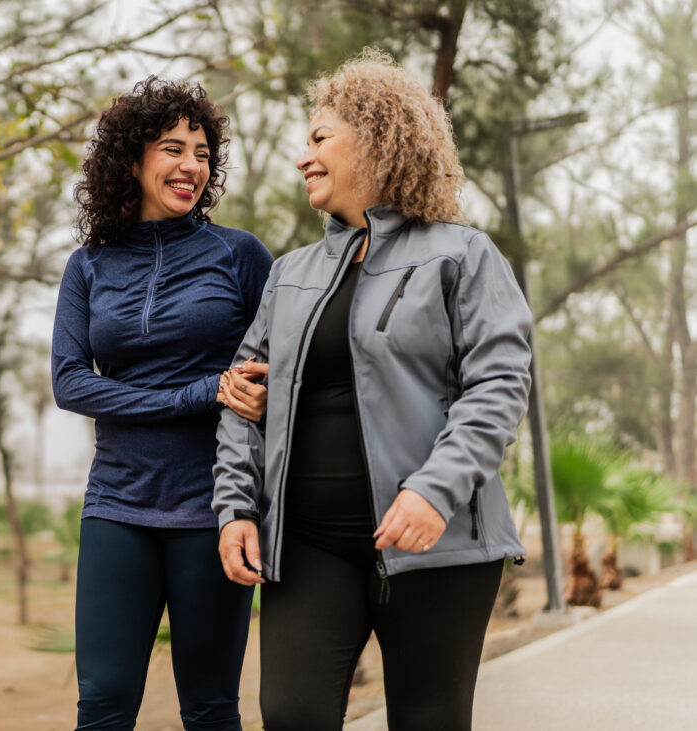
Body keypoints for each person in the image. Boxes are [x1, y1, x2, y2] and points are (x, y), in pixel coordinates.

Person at [213, 50, 532, 731]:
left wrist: (432, 490)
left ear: (378, 139)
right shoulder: (289, 274)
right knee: (292, 713)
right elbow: (242, 396)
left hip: (434, 545)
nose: (304, 156)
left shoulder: (462, 256)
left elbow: (499, 385)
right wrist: (236, 505)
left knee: (429, 720)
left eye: (319, 138)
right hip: (307, 544)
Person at [52, 77, 275, 730]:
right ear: (131, 158)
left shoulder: (239, 255)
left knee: (209, 708)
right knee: (102, 703)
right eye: (173, 148)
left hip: (213, 505)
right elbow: (71, 382)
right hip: (116, 502)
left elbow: (272, 373)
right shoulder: (88, 265)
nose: (191, 167)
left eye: (202, 153)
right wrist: (200, 390)